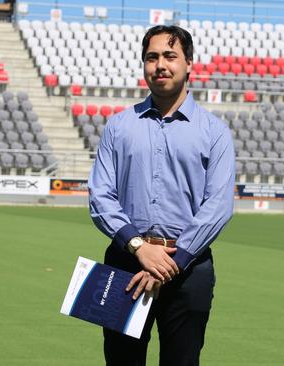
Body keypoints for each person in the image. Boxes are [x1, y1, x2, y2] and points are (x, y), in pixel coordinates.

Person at [88, 24, 235, 366]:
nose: (160, 65)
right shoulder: (119, 126)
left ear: (189, 64)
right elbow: (100, 196)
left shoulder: (215, 132)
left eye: (170, 56)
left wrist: (169, 263)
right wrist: (139, 248)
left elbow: (218, 206)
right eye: (151, 57)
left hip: (189, 266)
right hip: (125, 262)